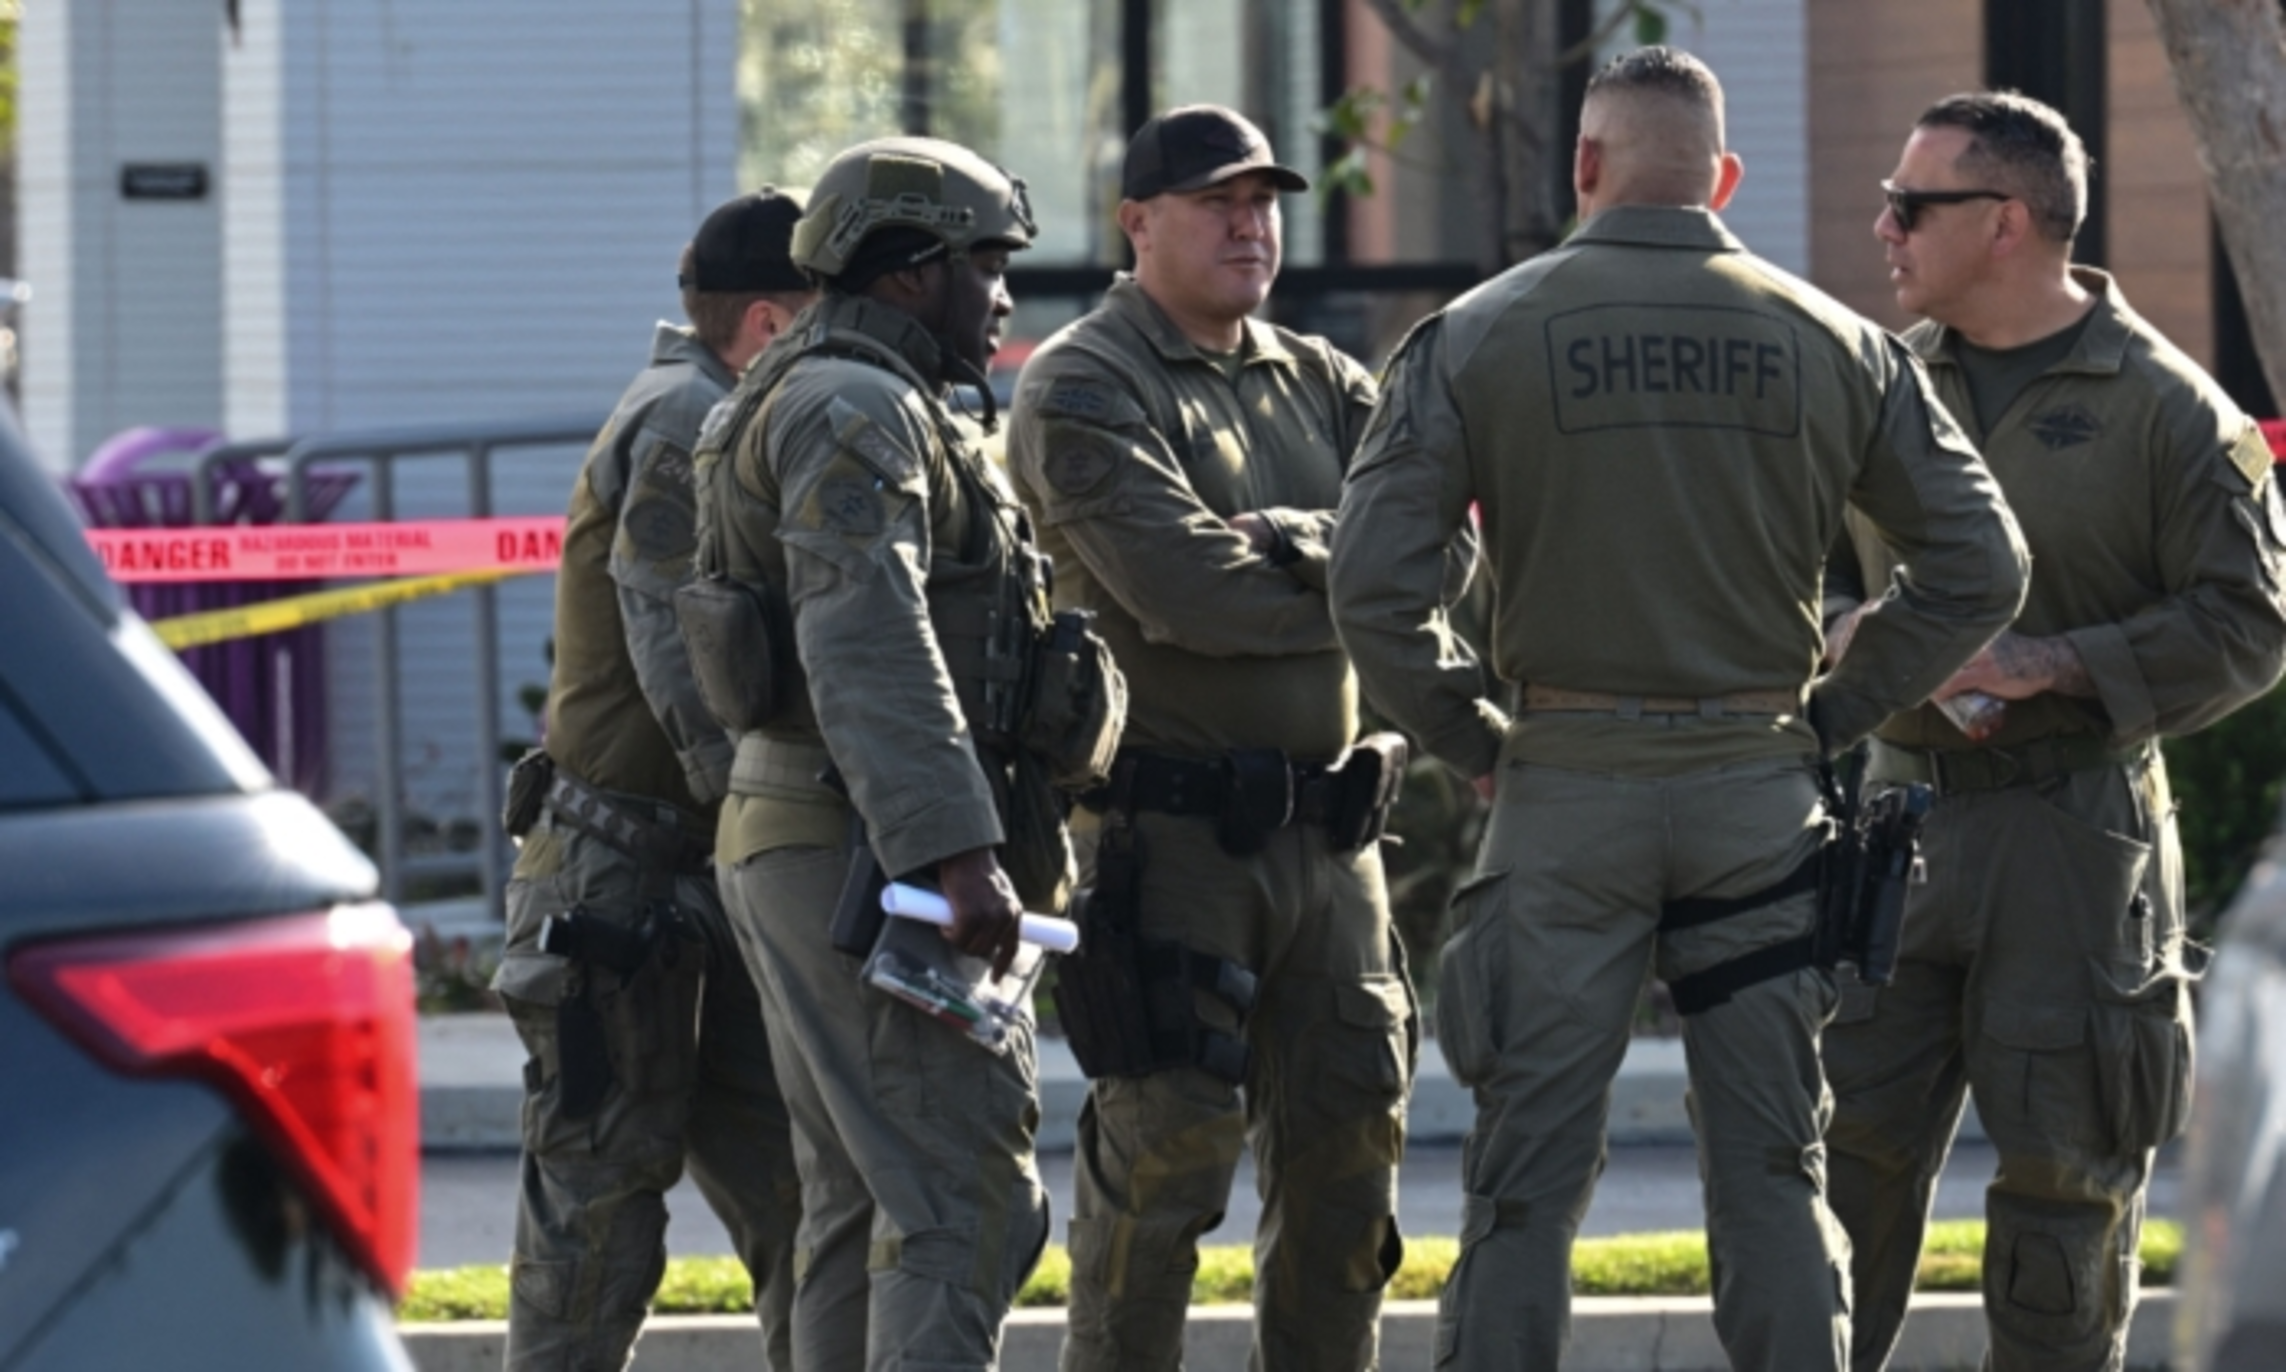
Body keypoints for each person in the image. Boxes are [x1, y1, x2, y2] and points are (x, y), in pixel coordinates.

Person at [1328, 47, 2031, 1372]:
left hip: (1562, 791)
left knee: (1524, 1180)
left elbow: (1371, 589)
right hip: (1758, 789)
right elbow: (1982, 566)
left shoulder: (1476, 333)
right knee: (1773, 1167)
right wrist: (1836, 711)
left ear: (1583, 165)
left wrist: (1476, 739)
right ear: (1724, 178)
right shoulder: (1836, 343)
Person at [1824, 90, 2286, 1372]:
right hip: (1889, 827)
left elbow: (2251, 626)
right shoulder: (1874, 390)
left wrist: (2053, 664)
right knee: (1831, 1169)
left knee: (2061, 1187)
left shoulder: (2170, 410)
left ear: (2006, 222)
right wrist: (1845, 627)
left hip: (2073, 836)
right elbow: (1798, 573)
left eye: (1911, 206)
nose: (1885, 228)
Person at [692, 136, 1120, 1370]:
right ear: (906, 272)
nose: (1004, 297)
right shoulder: (854, 408)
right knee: (962, 1195)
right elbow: (865, 636)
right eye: (987, 266)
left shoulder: (814, 393)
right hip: (870, 856)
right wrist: (957, 854)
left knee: (856, 1202)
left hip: (821, 836)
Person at [1005, 104, 1420, 1371]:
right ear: (1137, 222)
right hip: (1171, 838)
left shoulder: (1327, 379)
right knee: (1164, 1166)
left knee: (1350, 1166)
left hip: (1334, 837)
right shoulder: (1085, 380)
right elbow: (1190, 596)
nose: (1251, 226)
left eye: (1264, 202)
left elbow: (1439, 557)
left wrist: (1288, 541)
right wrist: (1352, 574)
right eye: (1216, 203)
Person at [491, 189, 815, 1371]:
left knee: (804, 1189)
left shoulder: (719, 413)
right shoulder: (684, 418)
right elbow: (680, 643)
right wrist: (759, 811)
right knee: (599, 1209)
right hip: (621, 882)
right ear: (771, 323)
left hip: (693, 869)